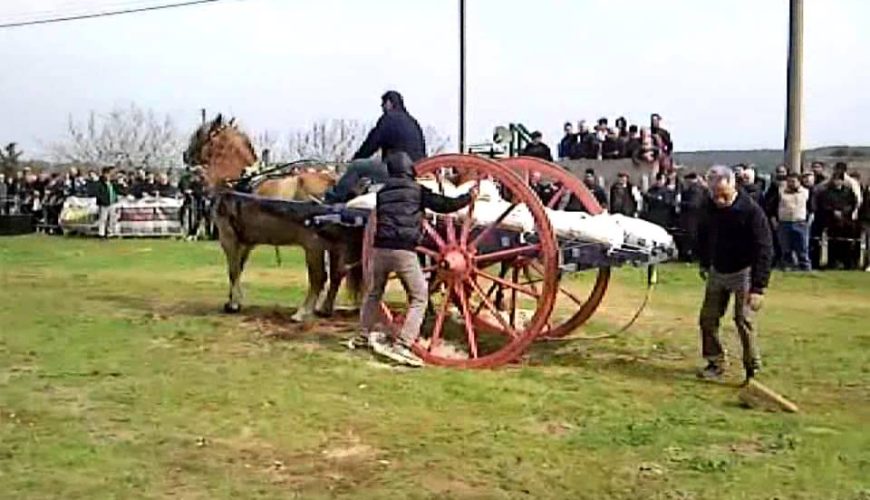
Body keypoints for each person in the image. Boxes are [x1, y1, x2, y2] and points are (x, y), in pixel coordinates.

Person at [359, 152, 474, 366]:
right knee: (419, 296)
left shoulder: (382, 194)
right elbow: (444, 205)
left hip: (379, 250)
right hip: (404, 251)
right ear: (410, 170)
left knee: (374, 292)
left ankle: (363, 335)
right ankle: (403, 343)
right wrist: (468, 198)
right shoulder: (417, 191)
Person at [696, 166, 772, 381]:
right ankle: (715, 362)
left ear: (733, 185)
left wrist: (758, 287)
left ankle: (751, 368)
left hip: (744, 271)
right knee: (708, 319)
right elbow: (703, 235)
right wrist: (704, 262)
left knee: (743, 320)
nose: (719, 200)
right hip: (718, 269)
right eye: (715, 195)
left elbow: (764, 248)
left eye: (724, 195)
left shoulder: (751, 211)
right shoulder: (708, 207)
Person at [326, 90, 426, 203]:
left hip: (396, 170)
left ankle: (334, 198)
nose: (382, 108)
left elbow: (372, 143)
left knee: (357, 166)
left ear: (388, 103)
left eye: (383, 105)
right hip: (418, 169)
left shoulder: (388, 119)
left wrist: (356, 159)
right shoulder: (412, 121)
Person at [818, 173, 859, 269]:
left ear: (842, 181)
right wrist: (833, 211)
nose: (836, 182)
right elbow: (824, 204)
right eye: (834, 180)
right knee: (832, 243)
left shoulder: (848, 192)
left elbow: (853, 204)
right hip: (832, 221)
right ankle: (832, 262)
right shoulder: (827, 192)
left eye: (838, 180)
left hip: (846, 221)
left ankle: (847, 263)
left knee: (846, 243)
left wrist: (844, 211)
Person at [776, 173, 811, 271]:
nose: (791, 183)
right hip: (784, 222)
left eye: (793, 181)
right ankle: (787, 266)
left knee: (802, 247)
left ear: (799, 182)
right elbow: (773, 206)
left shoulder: (806, 192)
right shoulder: (781, 192)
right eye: (789, 181)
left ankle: (805, 266)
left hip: (800, 223)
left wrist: (808, 220)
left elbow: (811, 207)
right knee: (785, 247)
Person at [677, 172, 708, 261]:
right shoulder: (690, 189)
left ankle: (691, 256)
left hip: (693, 217)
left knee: (691, 237)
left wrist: (680, 203)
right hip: (690, 217)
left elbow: (694, 204)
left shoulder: (695, 190)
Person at [95, 167, 118, 239]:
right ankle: (101, 234)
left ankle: (109, 233)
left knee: (111, 219)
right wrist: (103, 200)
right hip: (103, 204)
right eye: (107, 174)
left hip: (112, 203)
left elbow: (115, 191)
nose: (108, 176)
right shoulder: (100, 183)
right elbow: (98, 193)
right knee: (103, 219)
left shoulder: (112, 183)